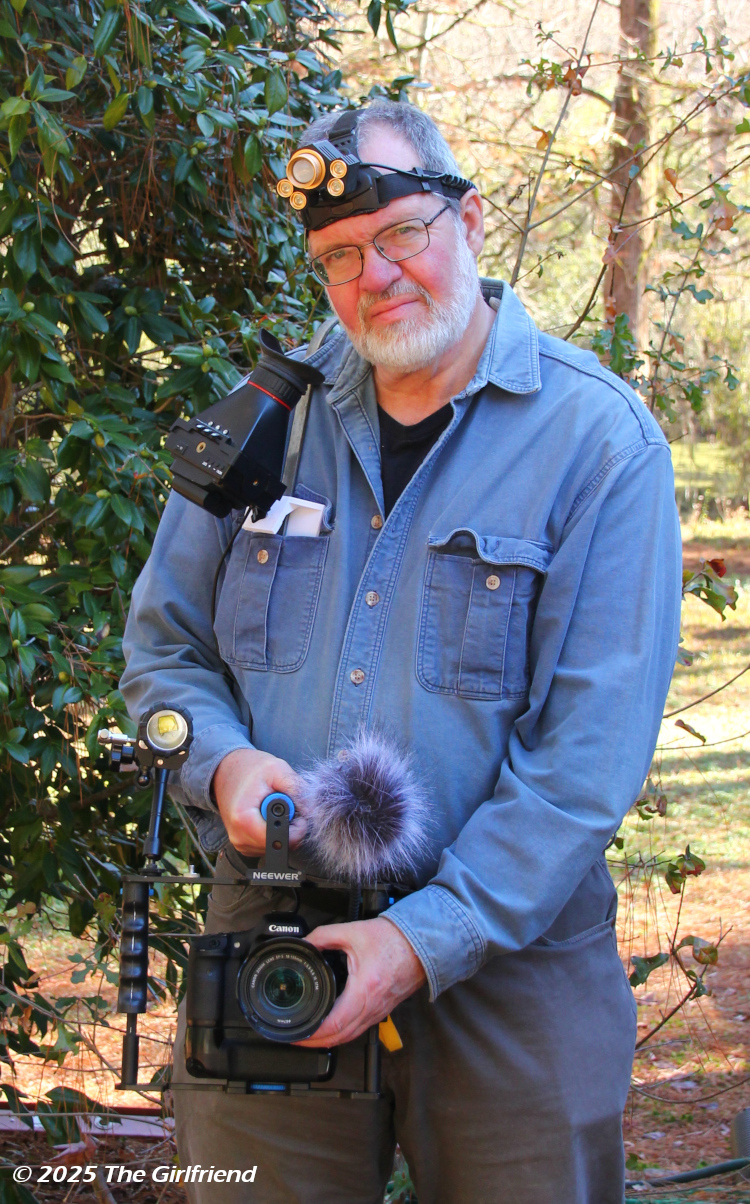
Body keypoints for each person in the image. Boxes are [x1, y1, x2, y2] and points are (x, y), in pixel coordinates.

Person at [120, 99, 682, 1204]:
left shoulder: (600, 443)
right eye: (337, 256)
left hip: (511, 959)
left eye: (399, 237)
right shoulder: (263, 425)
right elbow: (164, 650)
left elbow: (585, 761)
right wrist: (223, 764)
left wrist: (423, 940)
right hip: (271, 924)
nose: (372, 278)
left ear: (470, 220)